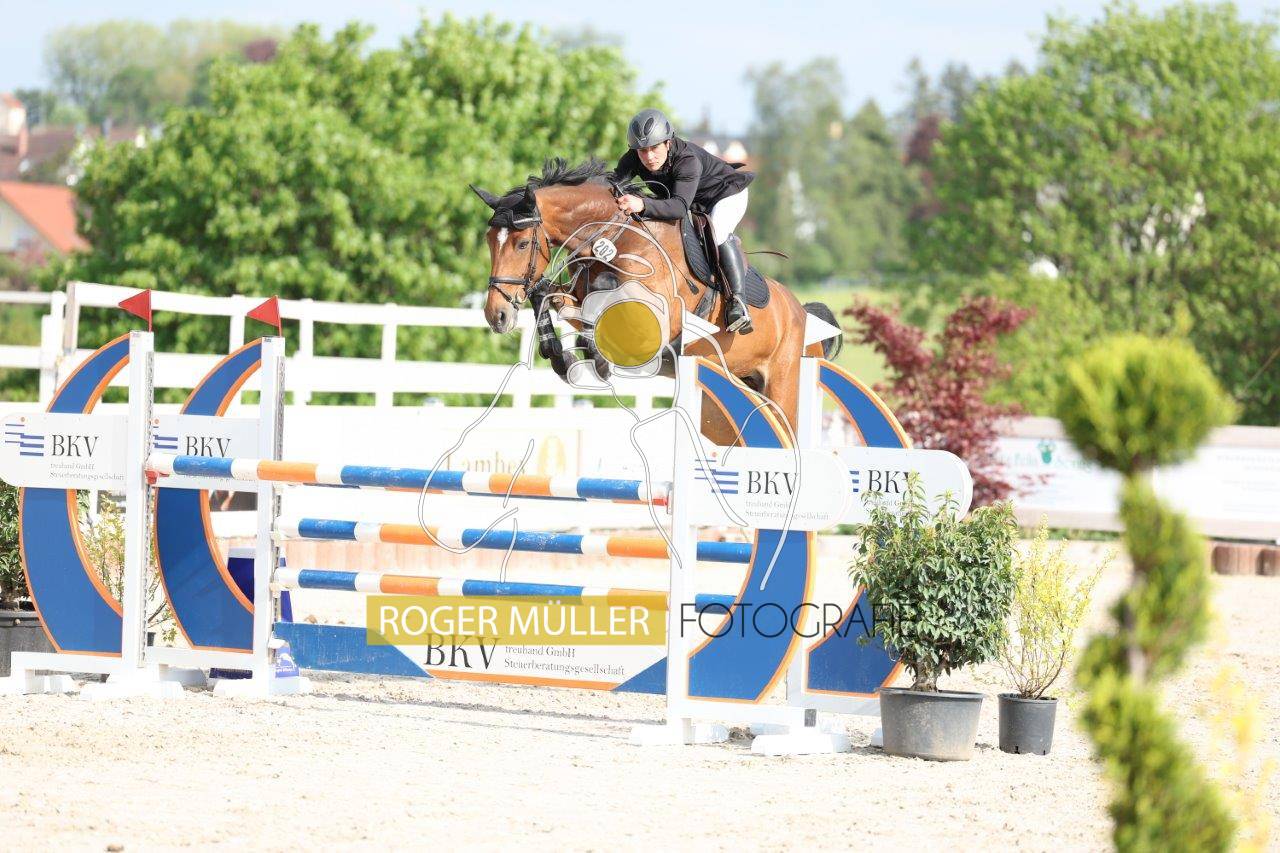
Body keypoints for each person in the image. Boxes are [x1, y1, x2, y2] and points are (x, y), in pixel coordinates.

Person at [610, 108, 755, 333]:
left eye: (654, 148)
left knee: (718, 233)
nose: (649, 157)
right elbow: (613, 186)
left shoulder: (687, 160)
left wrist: (643, 204)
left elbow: (678, 207)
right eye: (642, 151)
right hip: (696, 202)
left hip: (727, 194)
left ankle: (738, 303)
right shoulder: (634, 158)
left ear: (668, 143)